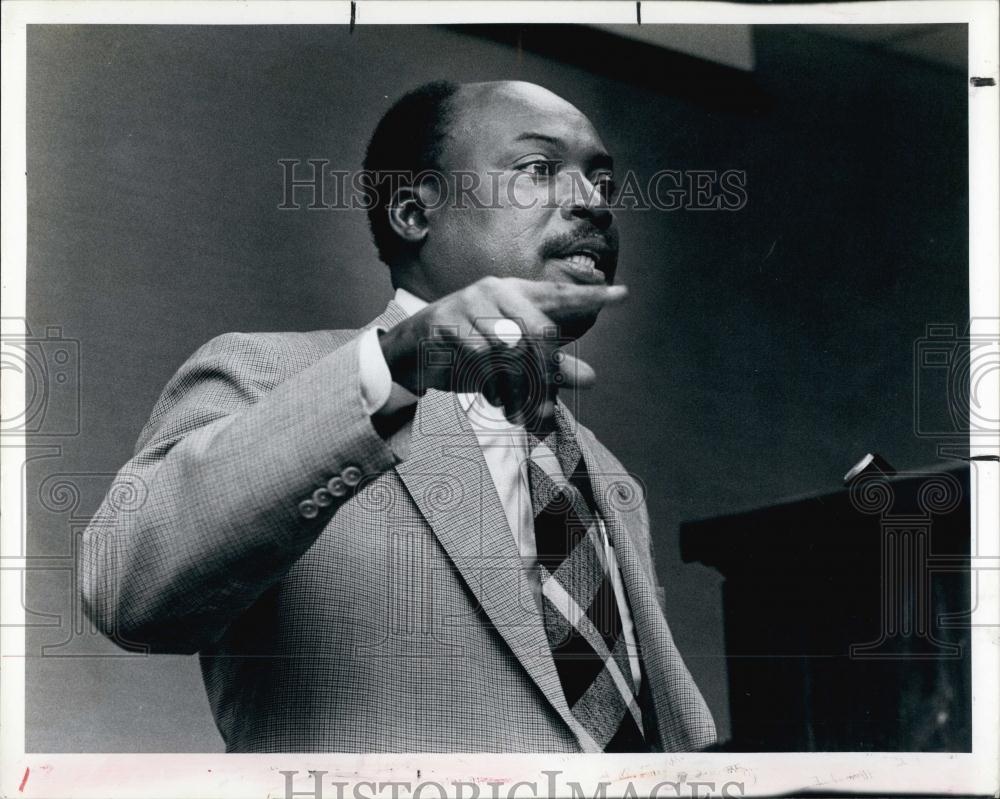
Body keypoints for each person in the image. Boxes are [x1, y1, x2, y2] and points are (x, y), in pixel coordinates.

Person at [81, 79, 716, 753]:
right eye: (538, 170)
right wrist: (396, 369)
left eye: (601, 182)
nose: (592, 202)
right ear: (414, 212)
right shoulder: (267, 378)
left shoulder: (604, 473)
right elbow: (129, 589)